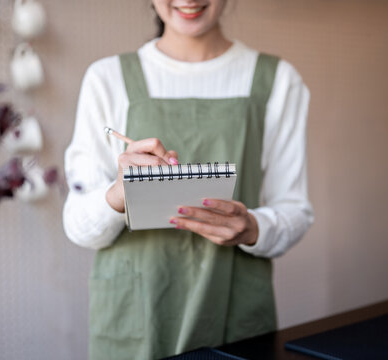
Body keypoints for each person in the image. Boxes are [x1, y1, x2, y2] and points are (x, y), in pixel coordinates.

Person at [63, 1, 314, 359]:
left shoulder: (278, 80)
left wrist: (253, 227)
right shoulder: (106, 78)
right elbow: (78, 226)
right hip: (135, 319)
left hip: (235, 313)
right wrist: (119, 194)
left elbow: (295, 210)